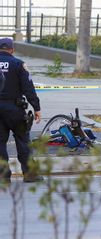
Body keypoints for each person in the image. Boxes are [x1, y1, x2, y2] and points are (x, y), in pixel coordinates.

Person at [0, 38, 43, 183]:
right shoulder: (18, 64)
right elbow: (28, 88)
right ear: (12, 49)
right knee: (23, 141)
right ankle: (30, 174)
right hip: (16, 110)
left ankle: (3, 176)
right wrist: (36, 107)